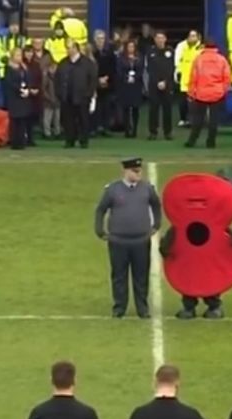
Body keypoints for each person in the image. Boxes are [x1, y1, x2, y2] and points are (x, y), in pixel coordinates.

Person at [94, 157, 160, 318]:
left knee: (141, 276)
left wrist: (156, 224)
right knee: (119, 275)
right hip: (118, 241)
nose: (138, 174)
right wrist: (100, 230)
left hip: (141, 240)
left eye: (139, 171)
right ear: (125, 171)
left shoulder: (147, 189)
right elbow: (101, 209)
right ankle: (119, 308)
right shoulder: (113, 190)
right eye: (134, 171)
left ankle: (142, 309)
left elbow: (156, 205)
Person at [185, 42, 231, 149]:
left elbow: (193, 77)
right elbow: (227, 77)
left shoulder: (199, 59)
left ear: (204, 47)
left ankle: (192, 141)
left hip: (201, 93)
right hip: (217, 93)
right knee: (214, 120)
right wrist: (223, 90)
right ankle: (211, 142)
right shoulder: (222, 59)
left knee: (198, 119)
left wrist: (192, 92)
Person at [55, 42, 97, 149]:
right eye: (67, 48)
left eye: (71, 48)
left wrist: (89, 94)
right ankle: (70, 140)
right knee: (68, 121)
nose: (68, 50)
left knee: (83, 119)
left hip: (82, 97)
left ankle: (84, 141)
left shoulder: (87, 63)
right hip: (67, 97)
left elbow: (92, 80)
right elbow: (57, 79)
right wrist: (59, 93)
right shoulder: (63, 63)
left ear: (76, 49)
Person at [146, 31, 175, 140]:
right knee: (153, 109)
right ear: (155, 40)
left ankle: (168, 132)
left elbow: (172, 68)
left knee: (167, 109)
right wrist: (157, 82)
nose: (159, 40)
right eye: (157, 38)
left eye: (161, 38)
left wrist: (165, 82)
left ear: (165, 39)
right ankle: (153, 132)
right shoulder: (150, 52)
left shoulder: (170, 51)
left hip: (167, 85)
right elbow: (150, 69)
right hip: (154, 85)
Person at [4, 48, 33, 150]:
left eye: (20, 55)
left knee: (22, 120)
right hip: (14, 98)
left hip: (23, 98)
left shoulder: (24, 68)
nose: (19, 57)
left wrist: (27, 90)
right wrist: (19, 89)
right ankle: (14, 142)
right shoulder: (9, 68)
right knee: (14, 121)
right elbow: (9, 83)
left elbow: (28, 79)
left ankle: (22, 142)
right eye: (16, 55)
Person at [174, 30, 202, 126]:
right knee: (183, 100)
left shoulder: (201, 48)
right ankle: (183, 119)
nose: (192, 38)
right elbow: (177, 61)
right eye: (190, 36)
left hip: (197, 78)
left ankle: (194, 120)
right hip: (184, 77)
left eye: (194, 36)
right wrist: (178, 72)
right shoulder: (181, 46)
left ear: (198, 37)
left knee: (196, 101)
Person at [117, 40, 144, 138]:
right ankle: (127, 130)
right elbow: (119, 70)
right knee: (126, 109)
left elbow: (141, 70)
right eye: (129, 46)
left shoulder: (139, 57)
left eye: (132, 46)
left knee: (135, 108)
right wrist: (126, 78)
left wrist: (134, 77)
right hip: (125, 86)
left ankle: (135, 130)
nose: (131, 48)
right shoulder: (121, 58)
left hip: (136, 86)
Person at [91, 30, 116, 136]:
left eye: (102, 38)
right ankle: (94, 127)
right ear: (94, 40)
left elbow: (113, 67)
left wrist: (106, 78)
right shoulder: (92, 52)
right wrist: (97, 79)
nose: (101, 41)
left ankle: (104, 128)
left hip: (107, 83)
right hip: (94, 84)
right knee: (95, 107)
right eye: (98, 38)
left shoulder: (109, 52)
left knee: (106, 107)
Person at [22, 45, 43, 145]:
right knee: (24, 118)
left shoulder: (36, 65)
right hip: (24, 94)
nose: (29, 54)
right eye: (27, 52)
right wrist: (28, 89)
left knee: (31, 118)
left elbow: (39, 79)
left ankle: (31, 138)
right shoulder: (21, 65)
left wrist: (37, 89)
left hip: (35, 96)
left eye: (30, 52)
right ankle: (24, 138)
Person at [41, 58, 61, 140]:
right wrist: (48, 98)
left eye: (55, 67)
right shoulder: (46, 78)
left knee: (57, 118)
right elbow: (43, 89)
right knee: (47, 119)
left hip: (57, 101)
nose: (54, 69)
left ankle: (57, 132)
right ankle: (47, 133)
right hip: (48, 102)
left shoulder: (58, 78)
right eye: (52, 68)